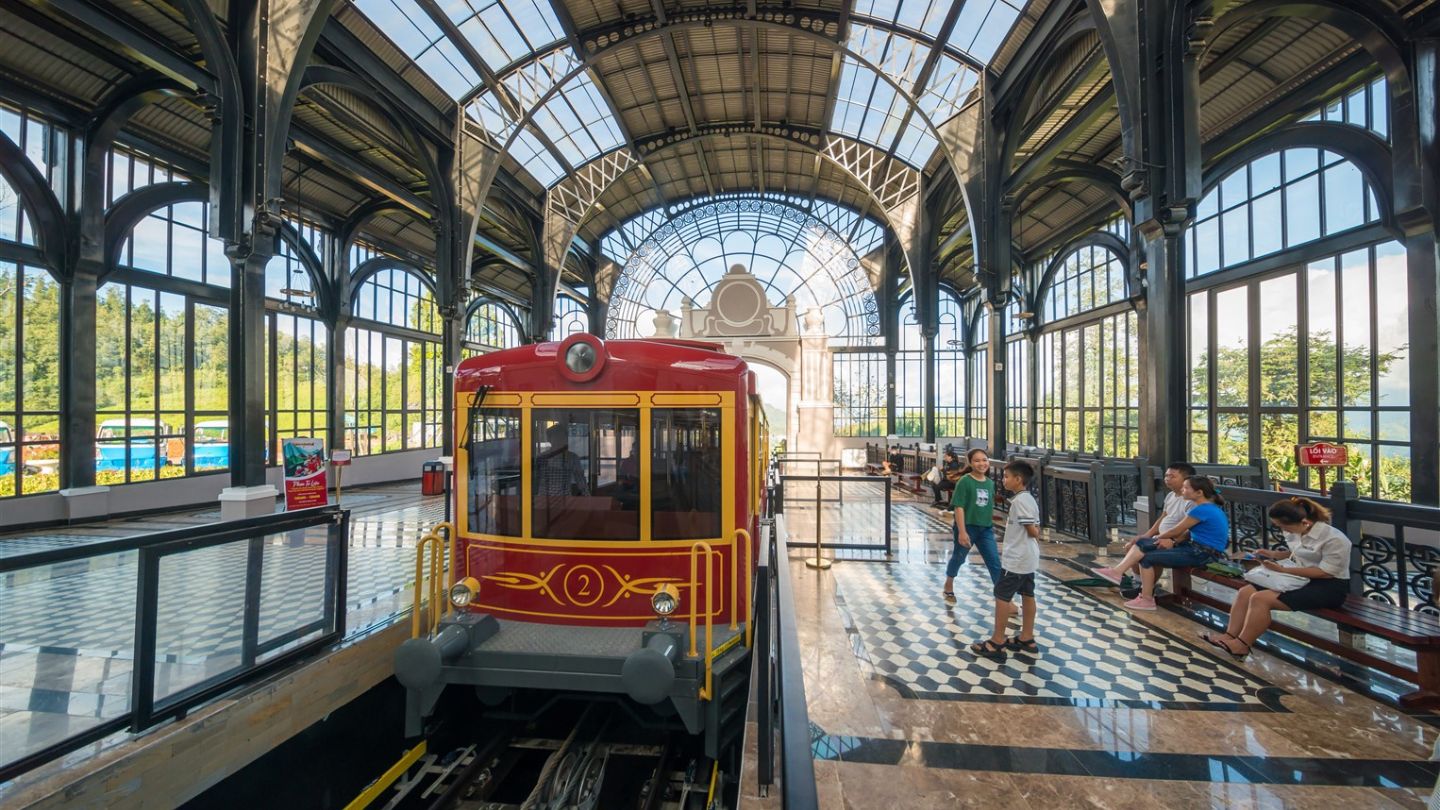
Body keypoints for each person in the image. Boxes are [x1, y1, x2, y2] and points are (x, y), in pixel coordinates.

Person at [1201, 497, 1352, 658]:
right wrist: (1273, 554)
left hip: (1328, 586)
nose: (1282, 530)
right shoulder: (1297, 530)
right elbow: (1299, 553)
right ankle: (1229, 636)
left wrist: (1283, 570)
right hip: (1299, 577)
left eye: (1283, 526)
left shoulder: (1335, 539)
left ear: (1305, 523)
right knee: (1245, 592)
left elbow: (1325, 572)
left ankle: (1242, 645)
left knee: (1260, 599)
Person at [1120, 475, 1230, 611]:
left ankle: (1146, 599)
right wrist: (1165, 540)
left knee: (1147, 558)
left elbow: (1176, 530)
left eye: (1186, 488)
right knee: (1146, 546)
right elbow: (1186, 533)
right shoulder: (1209, 507)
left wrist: (1156, 538)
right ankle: (1132, 584)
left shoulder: (1201, 509)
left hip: (1203, 554)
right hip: (1198, 550)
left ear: (1199, 492)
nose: (1182, 490)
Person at [970, 462, 1042, 659]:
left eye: (1007, 477)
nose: (1003, 480)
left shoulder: (1020, 502)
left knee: (1002, 596)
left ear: (1018, 479)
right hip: (1027, 557)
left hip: (1017, 559)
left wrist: (1036, 532)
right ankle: (1027, 637)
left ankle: (997, 641)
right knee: (1027, 594)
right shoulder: (1027, 499)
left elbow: (1033, 530)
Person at [1095, 462, 1198, 586]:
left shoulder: (1191, 501)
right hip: (1162, 537)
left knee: (1149, 553)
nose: (1167, 479)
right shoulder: (1171, 495)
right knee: (1130, 546)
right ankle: (1138, 581)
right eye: (1166, 476)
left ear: (1186, 479)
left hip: (1178, 542)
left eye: (1172, 476)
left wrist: (1173, 540)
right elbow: (1163, 517)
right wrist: (1147, 535)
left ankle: (1145, 585)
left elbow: (1191, 528)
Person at [943, 448, 1002, 600]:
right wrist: (962, 532)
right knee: (959, 557)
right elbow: (959, 507)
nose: (982, 463)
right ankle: (949, 582)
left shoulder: (990, 483)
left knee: (994, 562)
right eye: (977, 460)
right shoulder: (965, 481)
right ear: (970, 463)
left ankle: (1004, 598)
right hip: (967, 527)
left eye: (984, 460)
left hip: (986, 529)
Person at [535, 423, 588, 497]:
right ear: (549, 439)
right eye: (556, 437)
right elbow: (535, 480)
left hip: (562, 500)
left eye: (562, 437)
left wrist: (588, 498)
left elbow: (581, 481)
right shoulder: (541, 457)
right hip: (545, 499)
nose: (559, 440)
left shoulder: (572, 458)